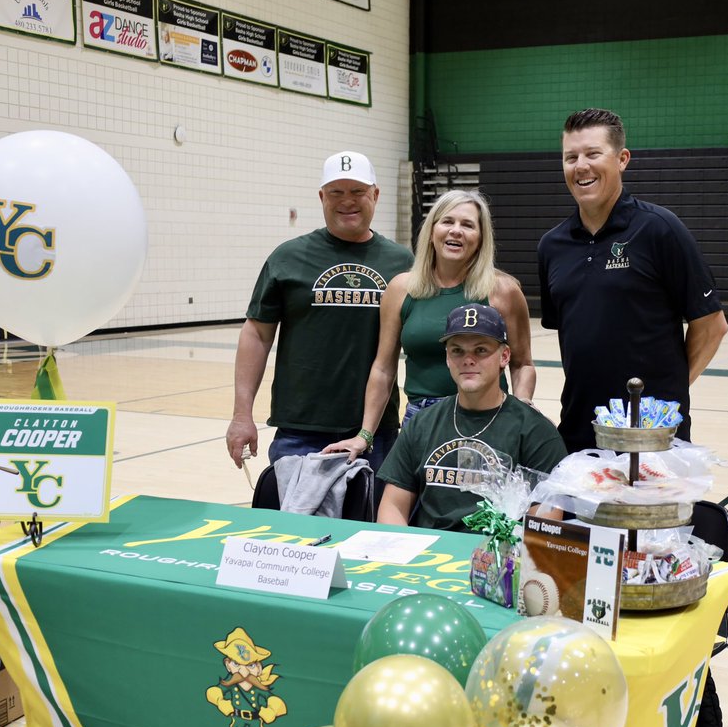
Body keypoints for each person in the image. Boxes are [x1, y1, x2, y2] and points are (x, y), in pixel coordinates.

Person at [538, 108, 728, 451]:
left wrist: (665, 400)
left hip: (652, 434)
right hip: (580, 428)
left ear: (622, 159)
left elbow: (712, 325)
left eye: (593, 154)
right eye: (571, 157)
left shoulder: (659, 229)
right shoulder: (552, 245)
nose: (581, 165)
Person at [226, 151, 414, 474]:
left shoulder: (402, 264)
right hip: (300, 433)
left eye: (357, 192)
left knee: (370, 524)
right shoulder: (288, 258)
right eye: (336, 193)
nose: (347, 202)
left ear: (376, 194)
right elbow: (256, 334)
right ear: (321, 197)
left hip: (374, 433)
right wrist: (242, 414)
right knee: (298, 526)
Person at [324, 190, 535, 461]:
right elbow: (383, 367)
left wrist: (522, 411)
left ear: (481, 238)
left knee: (482, 504)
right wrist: (364, 435)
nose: (456, 231)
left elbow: (522, 364)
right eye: (447, 222)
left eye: (468, 225)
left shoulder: (502, 291)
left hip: (488, 417)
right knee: (410, 502)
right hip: (421, 419)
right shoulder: (401, 288)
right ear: (432, 230)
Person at [376, 304, 567, 532]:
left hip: (500, 558)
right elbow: (392, 507)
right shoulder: (423, 423)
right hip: (428, 556)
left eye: (481, 351)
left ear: (504, 356)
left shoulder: (535, 430)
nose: (468, 360)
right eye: (457, 351)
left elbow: (547, 521)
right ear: (447, 358)